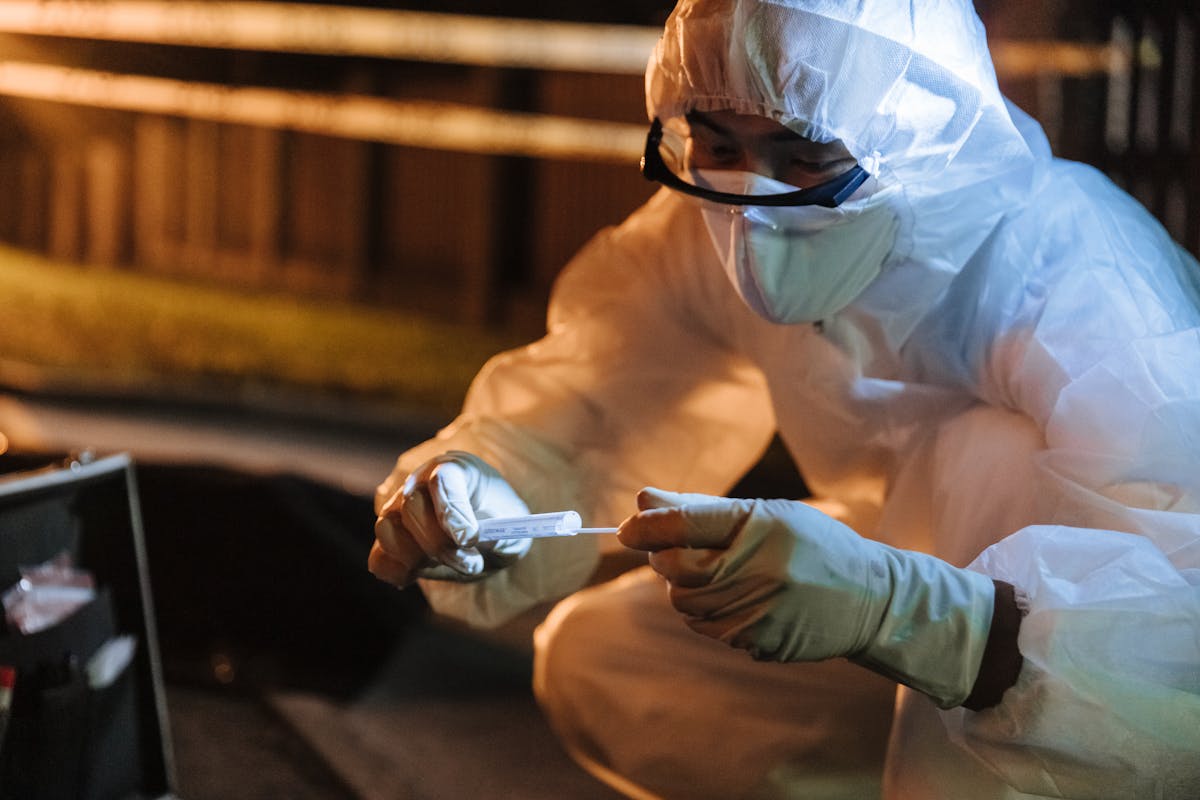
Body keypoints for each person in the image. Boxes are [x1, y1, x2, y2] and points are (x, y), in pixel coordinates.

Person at [369, 1, 1200, 797]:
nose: (750, 200)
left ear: (915, 137)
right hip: (895, 613)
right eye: (716, 141)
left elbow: (1181, 631)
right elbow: (594, 403)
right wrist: (482, 489)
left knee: (989, 456)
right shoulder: (703, 225)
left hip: (1045, 670)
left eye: (804, 155)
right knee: (609, 660)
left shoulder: (1078, 276)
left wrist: (928, 621)